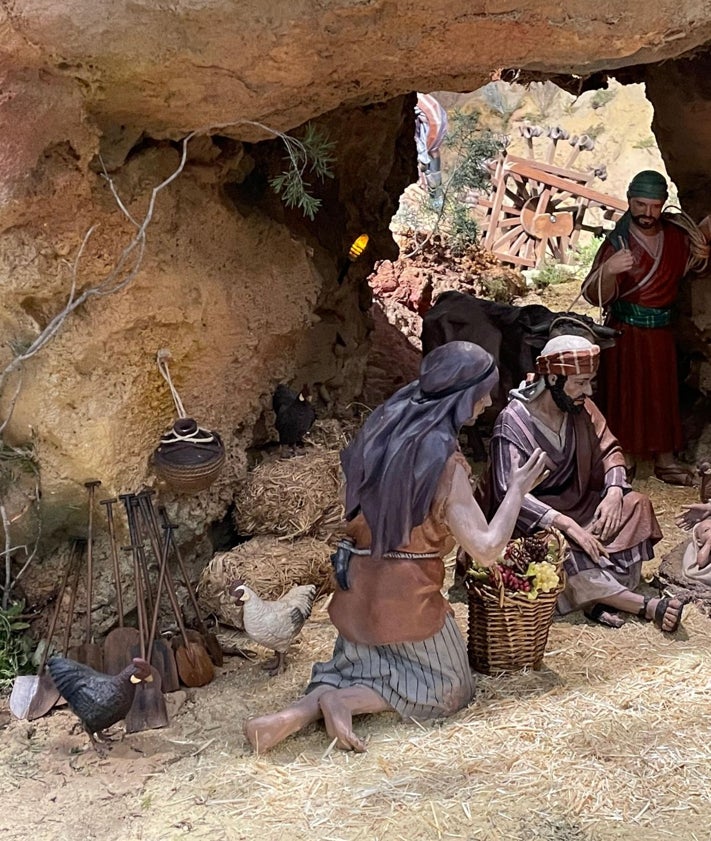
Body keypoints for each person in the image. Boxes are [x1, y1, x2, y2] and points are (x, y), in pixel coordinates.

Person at [244, 341, 548, 754]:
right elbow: (487, 549)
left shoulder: (380, 434)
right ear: (462, 398)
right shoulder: (444, 464)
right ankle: (344, 701)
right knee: (450, 689)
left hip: (355, 591)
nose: (489, 401)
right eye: (483, 393)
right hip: (404, 602)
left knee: (354, 669)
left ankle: (287, 718)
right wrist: (517, 492)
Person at [477, 333, 686, 632]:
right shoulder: (513, 422)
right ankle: (644, 606)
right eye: (580, 382)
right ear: (552, 379)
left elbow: (610, 449)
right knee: (556, 550)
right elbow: (508, 492)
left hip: (580, 506)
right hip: (535, 522)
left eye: (590, 381)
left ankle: (601, 597)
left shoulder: (580, 407)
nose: (587, 390)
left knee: (636, 505)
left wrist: (614, 492)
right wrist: (569, 526)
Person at [581, 169, 710, 485]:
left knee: (662, 396)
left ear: (664, 204)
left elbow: (699, 248)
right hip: (626, 332)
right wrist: (610, 271)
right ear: (629, 201)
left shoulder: (677, 236)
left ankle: (664, 459)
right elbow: (592, 293)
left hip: (661, 332)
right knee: (626, 396)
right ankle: (621, 460)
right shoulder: (618, 242)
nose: (647, 213)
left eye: (654, 206)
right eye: (640, 205)